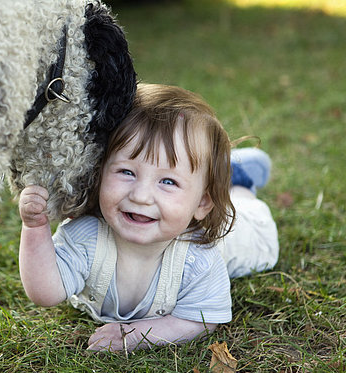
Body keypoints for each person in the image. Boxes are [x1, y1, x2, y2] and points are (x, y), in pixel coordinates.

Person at [18, 83, 278, 353]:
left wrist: (137, 335)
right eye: (127, 172)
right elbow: (46, 291)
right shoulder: (86, 237)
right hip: (197, 189)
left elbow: (201, 321)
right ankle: (218, 170)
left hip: (239, 234)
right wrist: (35, 228)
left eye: (167, 181)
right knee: (195, 173)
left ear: (202, 202)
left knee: (252, 223)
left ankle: (240, 180)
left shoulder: (199, 258)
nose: (141, 196)